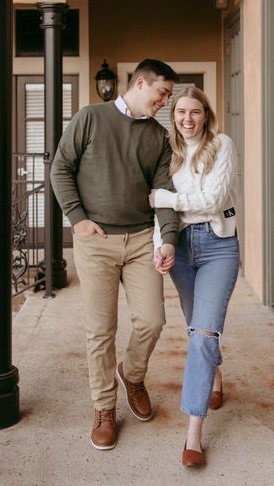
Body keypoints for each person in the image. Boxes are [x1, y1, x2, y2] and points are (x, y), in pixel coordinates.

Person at [50, 59, 179, 451]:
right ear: (141, 83)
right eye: (162, 94)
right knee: (100, 329)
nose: (165, 103)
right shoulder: (90, 118)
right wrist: (77, 220)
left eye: (169, 97)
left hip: (141, 240)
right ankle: (104, 407)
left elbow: (164, 193)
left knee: (152, 321)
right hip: (96, 241)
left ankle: (133, 374)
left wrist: (168, 238)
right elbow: (60, 169)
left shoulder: (158, 138)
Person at [150, 87, 240, 468]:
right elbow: (159, 214)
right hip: (182, 249)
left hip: (219, 246)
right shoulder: (166, 153)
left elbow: (213, 201)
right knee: (198, 329)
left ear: (206, 115)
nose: (187, 119)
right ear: (173, 116)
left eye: (195, 112)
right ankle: (214, 376)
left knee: (203, 335)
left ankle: (193, 434)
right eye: (181, 112)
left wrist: (166, 199)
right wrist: (161, 245)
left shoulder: (222, 145)